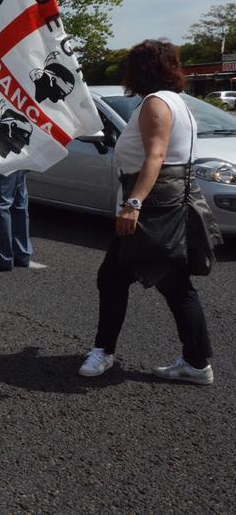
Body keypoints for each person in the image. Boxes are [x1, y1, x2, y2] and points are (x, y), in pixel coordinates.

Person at [78, 39, 214, 384]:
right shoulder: (176, 102)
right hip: (168, 198)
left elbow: (156, 155)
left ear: (141, 69)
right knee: (117, 277)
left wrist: (133, 203)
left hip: (154, 204)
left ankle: (193, 363)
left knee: (172, 284)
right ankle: (191, 361)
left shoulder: (156, 103)